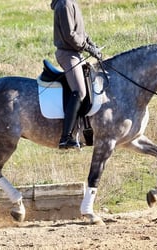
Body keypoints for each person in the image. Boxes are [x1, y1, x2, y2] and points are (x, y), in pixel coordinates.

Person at [50, 0, 102, 149]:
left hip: (75, 53)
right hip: (68, 54)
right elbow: (70, 35)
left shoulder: (71, 2)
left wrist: (91, 44)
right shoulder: (64, 4)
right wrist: (87, 48)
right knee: (79, 91)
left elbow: (80, 32)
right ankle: (65, 138)